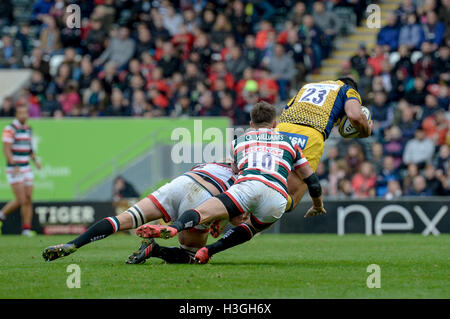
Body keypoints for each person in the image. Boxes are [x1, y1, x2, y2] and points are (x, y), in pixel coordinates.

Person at [135, 102, 326, 264]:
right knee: (250, 228)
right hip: (277, 197)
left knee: (203, 212)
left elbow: (234, 172)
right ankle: (210, 251)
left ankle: (173, 227)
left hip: (248, 185)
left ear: (251, 124)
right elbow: (313, 182)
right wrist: (317, 205)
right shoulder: (289, 143)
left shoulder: (239, 142)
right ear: (275, 123)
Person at [42, 162, 241, 262]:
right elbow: (236, 213)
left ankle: (73, 244)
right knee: (192, 255)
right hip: (205, 197)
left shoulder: (219, 161)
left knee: (123, 219)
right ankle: (155, 249)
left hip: (182, 182)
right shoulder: (249, 176)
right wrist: (221, 220)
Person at [276, 77, 372, 209]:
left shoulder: (308, 86)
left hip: (282, 130)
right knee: (293, 195)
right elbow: (355, 115)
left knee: (271, 179)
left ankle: (250, 207)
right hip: (310, 134)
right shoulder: (348, 90)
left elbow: (283, 111)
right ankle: (250, 224)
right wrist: (366, 130)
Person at [0, 102, 41, 236]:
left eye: (26, 113)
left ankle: (26, 229)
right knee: (21, 199)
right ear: (16, 114)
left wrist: (35, 161)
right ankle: (1, 214)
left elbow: (29, 149)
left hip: (26, 167)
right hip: (14, 168)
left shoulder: (28, 128)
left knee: (28, 198)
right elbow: (6, 150)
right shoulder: (10, 128)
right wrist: (14, 164)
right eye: (21, 113)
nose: (24, 115)